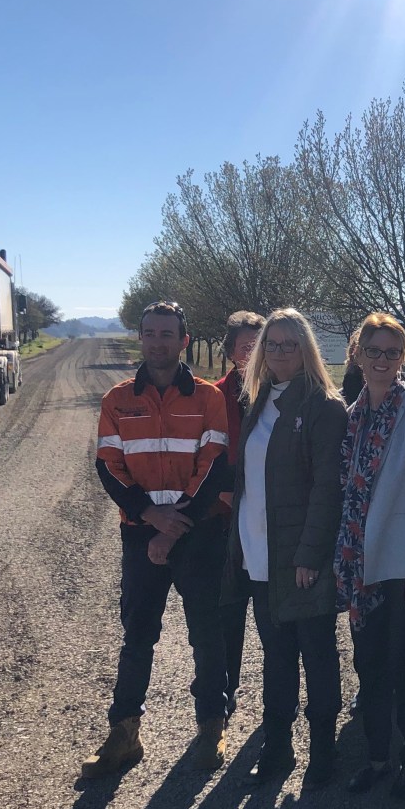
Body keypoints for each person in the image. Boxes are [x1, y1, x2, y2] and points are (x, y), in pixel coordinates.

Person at [83, 301, 232, 778]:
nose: (157, 342)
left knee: (206, 633)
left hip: (198, 534)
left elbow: (214, 466)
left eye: (167, 334)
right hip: (139, 533)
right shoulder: (117, 400)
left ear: (184, 341)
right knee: (137, 635)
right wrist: (149, 516)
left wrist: (172, 526)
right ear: (140, 337)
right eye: (150, 333)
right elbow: (109, 467)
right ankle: (124, 733)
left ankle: (211, 726)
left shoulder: (208, 398)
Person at [223, 308, 348, 788]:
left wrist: (309, 556)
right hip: (260, 556)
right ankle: (277, 749)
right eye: (271, 344)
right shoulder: (258, 400)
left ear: (305, 350)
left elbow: (327, 489)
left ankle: (324, 753)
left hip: (300, 560)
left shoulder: (323, 406)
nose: (278, 352)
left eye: (289, 344)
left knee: (317, 655)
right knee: (276, 658)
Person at [334, 314, 405, 799]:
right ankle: (377, 757)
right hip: (362, 561)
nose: (382, 360)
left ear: (403, 358)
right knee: (369, 665)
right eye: (373, 351)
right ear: (357, 354)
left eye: (392, 352)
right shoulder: (352, 414)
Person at [217, 309, 264, 723]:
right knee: (228, 611)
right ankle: (225, 688)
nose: (251, 353)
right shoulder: (213, 396)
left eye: (257, 345)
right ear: (230, 351)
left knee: (274, 617)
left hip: (268, 523)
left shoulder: (281, 392)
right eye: (244, 346)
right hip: (224, 522)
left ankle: (279, 696)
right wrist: (225, 494)